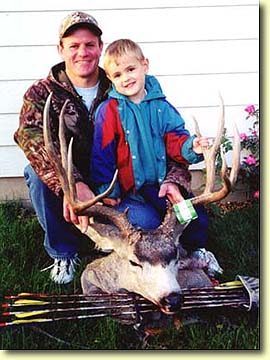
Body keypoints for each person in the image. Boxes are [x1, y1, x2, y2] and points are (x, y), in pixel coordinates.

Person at [13, 12, 193, 285]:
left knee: (149, 226)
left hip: (116, 188)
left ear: (99, 47)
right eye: (74, 46)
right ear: (61, 49)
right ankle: (63, 252)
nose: (82, 52)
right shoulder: (41, 94)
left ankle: (108, 244)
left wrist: (174, 180)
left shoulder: (123, 82)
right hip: (70, 183)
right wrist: (72, 184)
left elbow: (165, 137)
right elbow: (30, 138)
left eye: (89, 45)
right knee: (36, 175)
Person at [91, 39, 223, 277]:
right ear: (110, 79)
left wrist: (191, 145)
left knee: (192, 217)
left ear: (145, 65)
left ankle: (195, 251)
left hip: (160, 185)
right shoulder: (108, 111)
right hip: (130, 190)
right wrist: (107, 191)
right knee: (151, 224)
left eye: (131, 69)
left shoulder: (162, 107)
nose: (126, 78)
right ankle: (163, 257)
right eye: (118, 74)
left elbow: (176, 140)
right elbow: (102, 154)